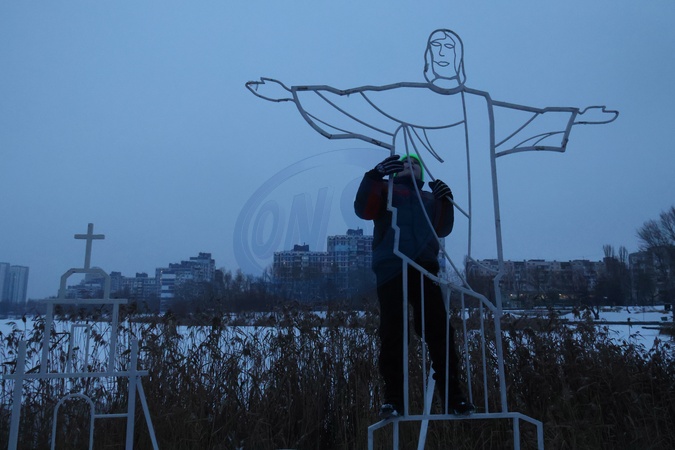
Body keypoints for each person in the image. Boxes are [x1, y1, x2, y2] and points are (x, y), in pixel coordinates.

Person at [354, 153, 474, 419]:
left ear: (422, 172)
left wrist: (446, 200)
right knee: (393, 329)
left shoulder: (429, 198)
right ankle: (393, 399)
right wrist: (374, 176)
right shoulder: (385, 190)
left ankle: (453, 396)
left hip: (424, 265)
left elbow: (442, 228)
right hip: (391, 265)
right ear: (395, 170)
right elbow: (364, 210)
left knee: (439, 328)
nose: (410, 166)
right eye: (406, 163)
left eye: (416, 164)